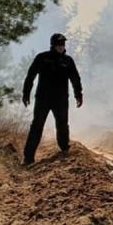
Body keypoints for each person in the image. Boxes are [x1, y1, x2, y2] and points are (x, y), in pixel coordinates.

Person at [22, 33, 83, 165]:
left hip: (61, 100)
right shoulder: (42, 58)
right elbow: (30, 76)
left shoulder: (68, 61)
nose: (61, 46)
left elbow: (75, 79)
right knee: (37, 126)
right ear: (53, 44)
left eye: (63, 44)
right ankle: (28, 157)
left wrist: (78, 95)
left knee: (62, 125)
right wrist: (26, 93)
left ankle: (65, 149)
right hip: (43, 99)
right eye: (58, 44)